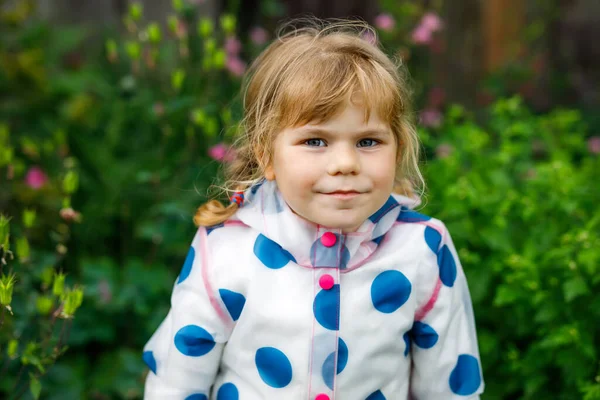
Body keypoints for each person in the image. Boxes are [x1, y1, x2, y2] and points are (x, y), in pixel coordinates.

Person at [142, 18, 484, 400]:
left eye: (369, 141)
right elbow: (177, 380)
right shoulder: (225, 250)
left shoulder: (422, 249)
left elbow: (450, 387)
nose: (345, 163)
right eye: (316, 141)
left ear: (398, 149)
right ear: (266, 155)